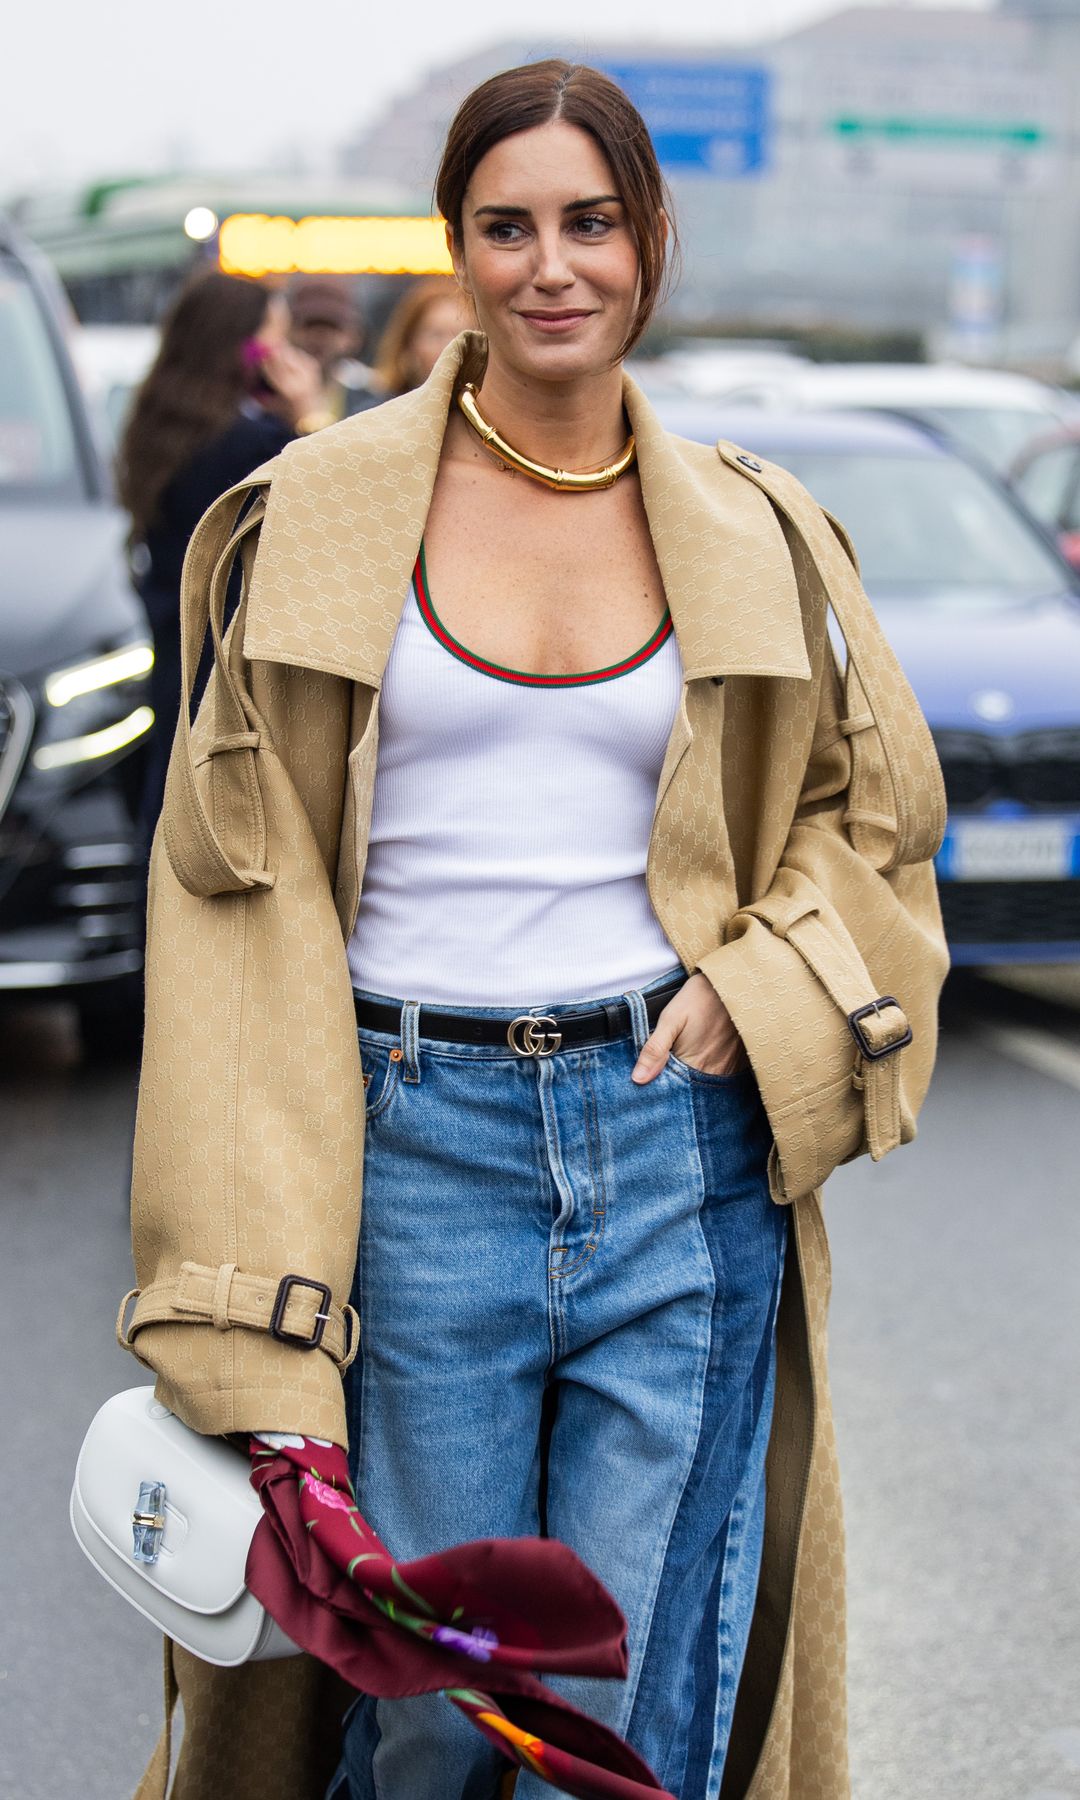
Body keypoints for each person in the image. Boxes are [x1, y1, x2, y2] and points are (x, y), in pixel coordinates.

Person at [122, 59, 948, 1800]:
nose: (550, 266)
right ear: (461, 247)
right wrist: (233, 1255)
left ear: (653, 240)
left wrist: (756, 982)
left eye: (591, 223)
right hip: (414, 1151)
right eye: (508, 227)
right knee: (428, 1706)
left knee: (634, 1711)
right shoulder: (322, 516)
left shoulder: (759, 525)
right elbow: (229, 896)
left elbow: (872, 825)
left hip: (676, 1151)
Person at [117, 270, 325, 846]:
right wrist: (305, 416)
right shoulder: (255, 444)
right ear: (245, 346)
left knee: (169, 799)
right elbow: (320, 521)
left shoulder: (162, 427)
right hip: (234, 657)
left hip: (177, 644)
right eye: (275, 339)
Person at [286, 274, 382, 420]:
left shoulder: (374, 393)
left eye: (331, 327)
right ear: (288, 330)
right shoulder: (267, 399)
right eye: (309, 325)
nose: (318, 337)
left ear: (353, 337)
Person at [374, 273, 473, 396]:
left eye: (461, 335)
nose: (450, 346)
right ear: (408, 345)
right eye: (437, 335)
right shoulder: (381, 412)